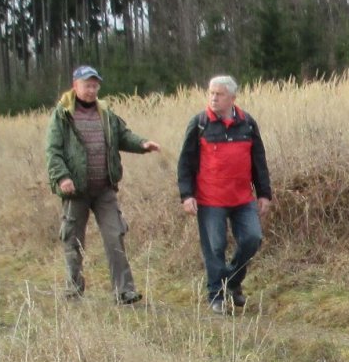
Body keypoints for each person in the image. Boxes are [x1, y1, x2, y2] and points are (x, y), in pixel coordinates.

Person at [46, 65, 161, 304]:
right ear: (75, 85)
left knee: (114, 235)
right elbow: (53, 152)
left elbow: (123, 136)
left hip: (104, 189)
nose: (91, 89)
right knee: (73, 240)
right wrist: (62, 177)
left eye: (95, 85)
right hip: (75, 190)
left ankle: (124, 291)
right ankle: (73, 290)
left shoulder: (106, 112)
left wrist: (142, 144)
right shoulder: (62, 114)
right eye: (87, 85)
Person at [177, 75, 272, 314]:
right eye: (211, 93)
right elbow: (185, 162)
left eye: (219, 94)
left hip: (242, 199)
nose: (213, 98)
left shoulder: (247, 123)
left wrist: (264, 194)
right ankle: (216, 296)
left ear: (232, 98)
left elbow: (258, 161)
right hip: (210, 200)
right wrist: (187, 195)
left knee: (252, 239)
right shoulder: (200, 123)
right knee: (215, 247)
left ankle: (231, 282)